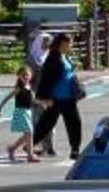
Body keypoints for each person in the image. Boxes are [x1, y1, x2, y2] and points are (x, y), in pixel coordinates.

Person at [31, 30, 85, 158]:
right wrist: (43, 98)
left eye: (71, 44)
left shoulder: (65, 57)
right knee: (45, 124)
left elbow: (69, 73)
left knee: (74, 123)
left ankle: (75, 150)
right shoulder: (52, 58)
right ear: (61, 43)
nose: (70, 46)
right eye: (68, 44)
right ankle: (30, 144)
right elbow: (46, 79)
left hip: (69, 97)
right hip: (55, 98)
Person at [0, 66, 39, 165]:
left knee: (27, 135)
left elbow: (32, 100)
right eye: (23, 75)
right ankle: (30, 155)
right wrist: (0, 107)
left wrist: (42, 103)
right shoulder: (19, 88)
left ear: (31, 75)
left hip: (28, 112)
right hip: (21, 112)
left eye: (27, 75)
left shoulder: (29, 87)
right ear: (19, 76)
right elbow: (8, 97)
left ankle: (12, 148)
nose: (25, 77)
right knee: (29, 133)